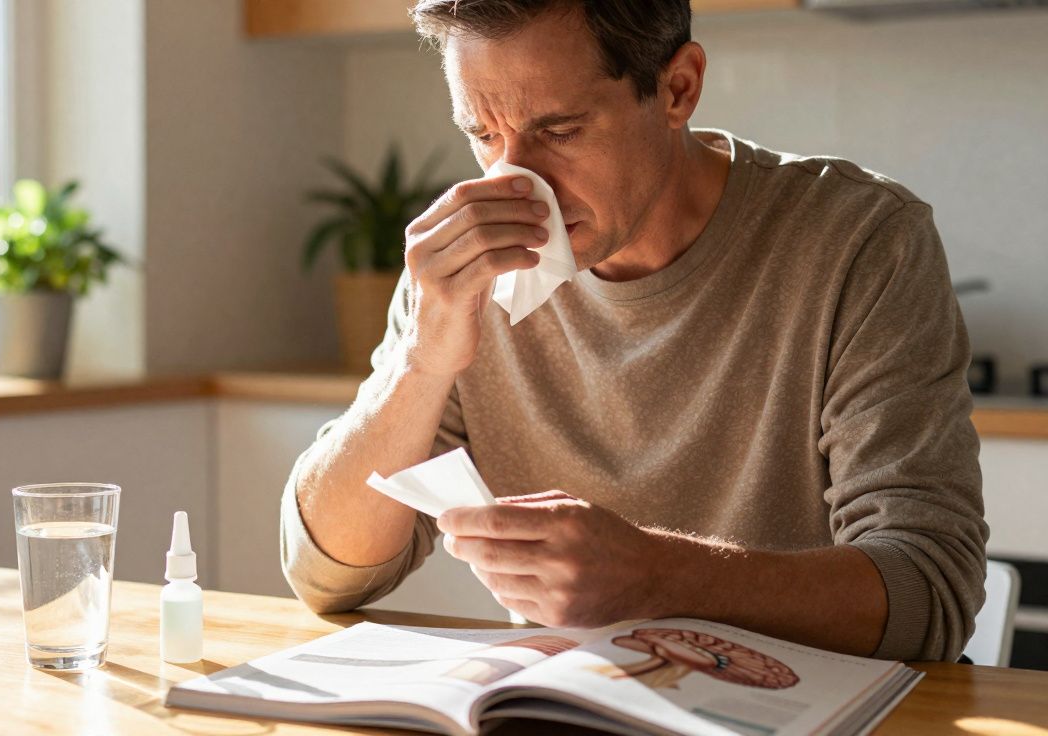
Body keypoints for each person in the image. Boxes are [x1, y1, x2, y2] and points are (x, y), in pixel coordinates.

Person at [279, 0, 987, 662]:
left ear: (678, 89)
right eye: (483, 135)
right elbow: (328, 575)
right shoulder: (463, 274)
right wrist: (420, 362)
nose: (515, 179)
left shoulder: (860, 241)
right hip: (581, 707)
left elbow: (929, 589)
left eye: (559, 131)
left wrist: (656, 575)